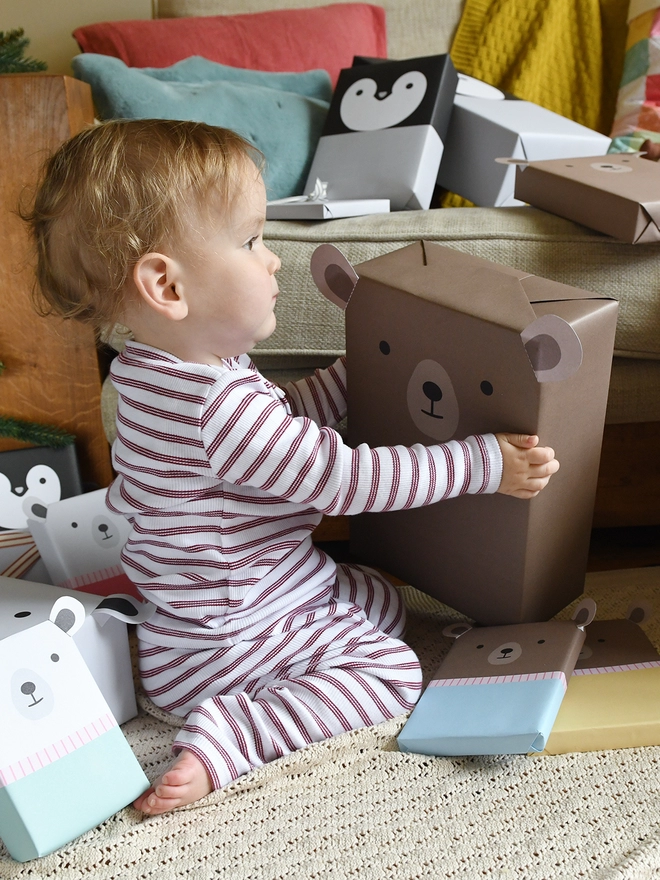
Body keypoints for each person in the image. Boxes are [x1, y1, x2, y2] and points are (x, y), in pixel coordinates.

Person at [24, 119, 559, 816]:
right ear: (167, 286)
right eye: (250, 242)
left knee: (378, 598)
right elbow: (349, 479)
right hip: (230, 641)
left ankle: (278, 659)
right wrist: (483, 463)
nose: (272, 260)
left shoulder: (153, 373)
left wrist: (355, 372)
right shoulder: (217, 409)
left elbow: (281, 422)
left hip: (215, 612)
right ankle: (236, 733)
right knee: (392, 669)